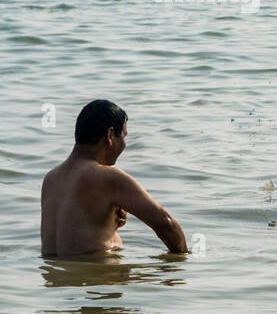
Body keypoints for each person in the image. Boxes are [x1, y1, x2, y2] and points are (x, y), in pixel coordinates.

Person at [41, 100, 188, 257]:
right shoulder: (108, 177)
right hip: (95, 278)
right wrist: (182, 260)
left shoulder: (51, 178)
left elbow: (74, 237)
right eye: (124, 136)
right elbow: (165, 223)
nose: (124, 144)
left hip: (54, 277)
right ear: (110, 135)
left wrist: (109, 225)